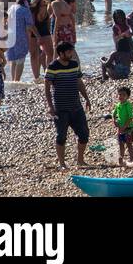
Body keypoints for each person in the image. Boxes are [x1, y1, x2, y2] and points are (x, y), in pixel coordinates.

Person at [44, 41, 92, 171]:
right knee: (61, 136)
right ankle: (62, 163)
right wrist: (50, 106)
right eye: (69, 52)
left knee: (84, 134)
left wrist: (87, 98)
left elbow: (79, 82)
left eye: (72, 51)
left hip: (76, 106)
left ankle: (80, 160)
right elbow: (47, 88)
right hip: (61, 108)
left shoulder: (74, 64)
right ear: (61, 53)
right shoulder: (53, 66)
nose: (71, 54)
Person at [112, 86, 133, 166]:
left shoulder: (128, 105)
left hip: (128, 128)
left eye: (123, 95)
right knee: (121, 144)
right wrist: (114, 120)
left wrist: (124, 127)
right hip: (120, 128)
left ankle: (131, 159)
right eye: (119, 94)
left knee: (129, 144)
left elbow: (130, 118)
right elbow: (114, 114)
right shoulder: (118, 105)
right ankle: (121, 159)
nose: (121, 96)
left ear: (127, 96)